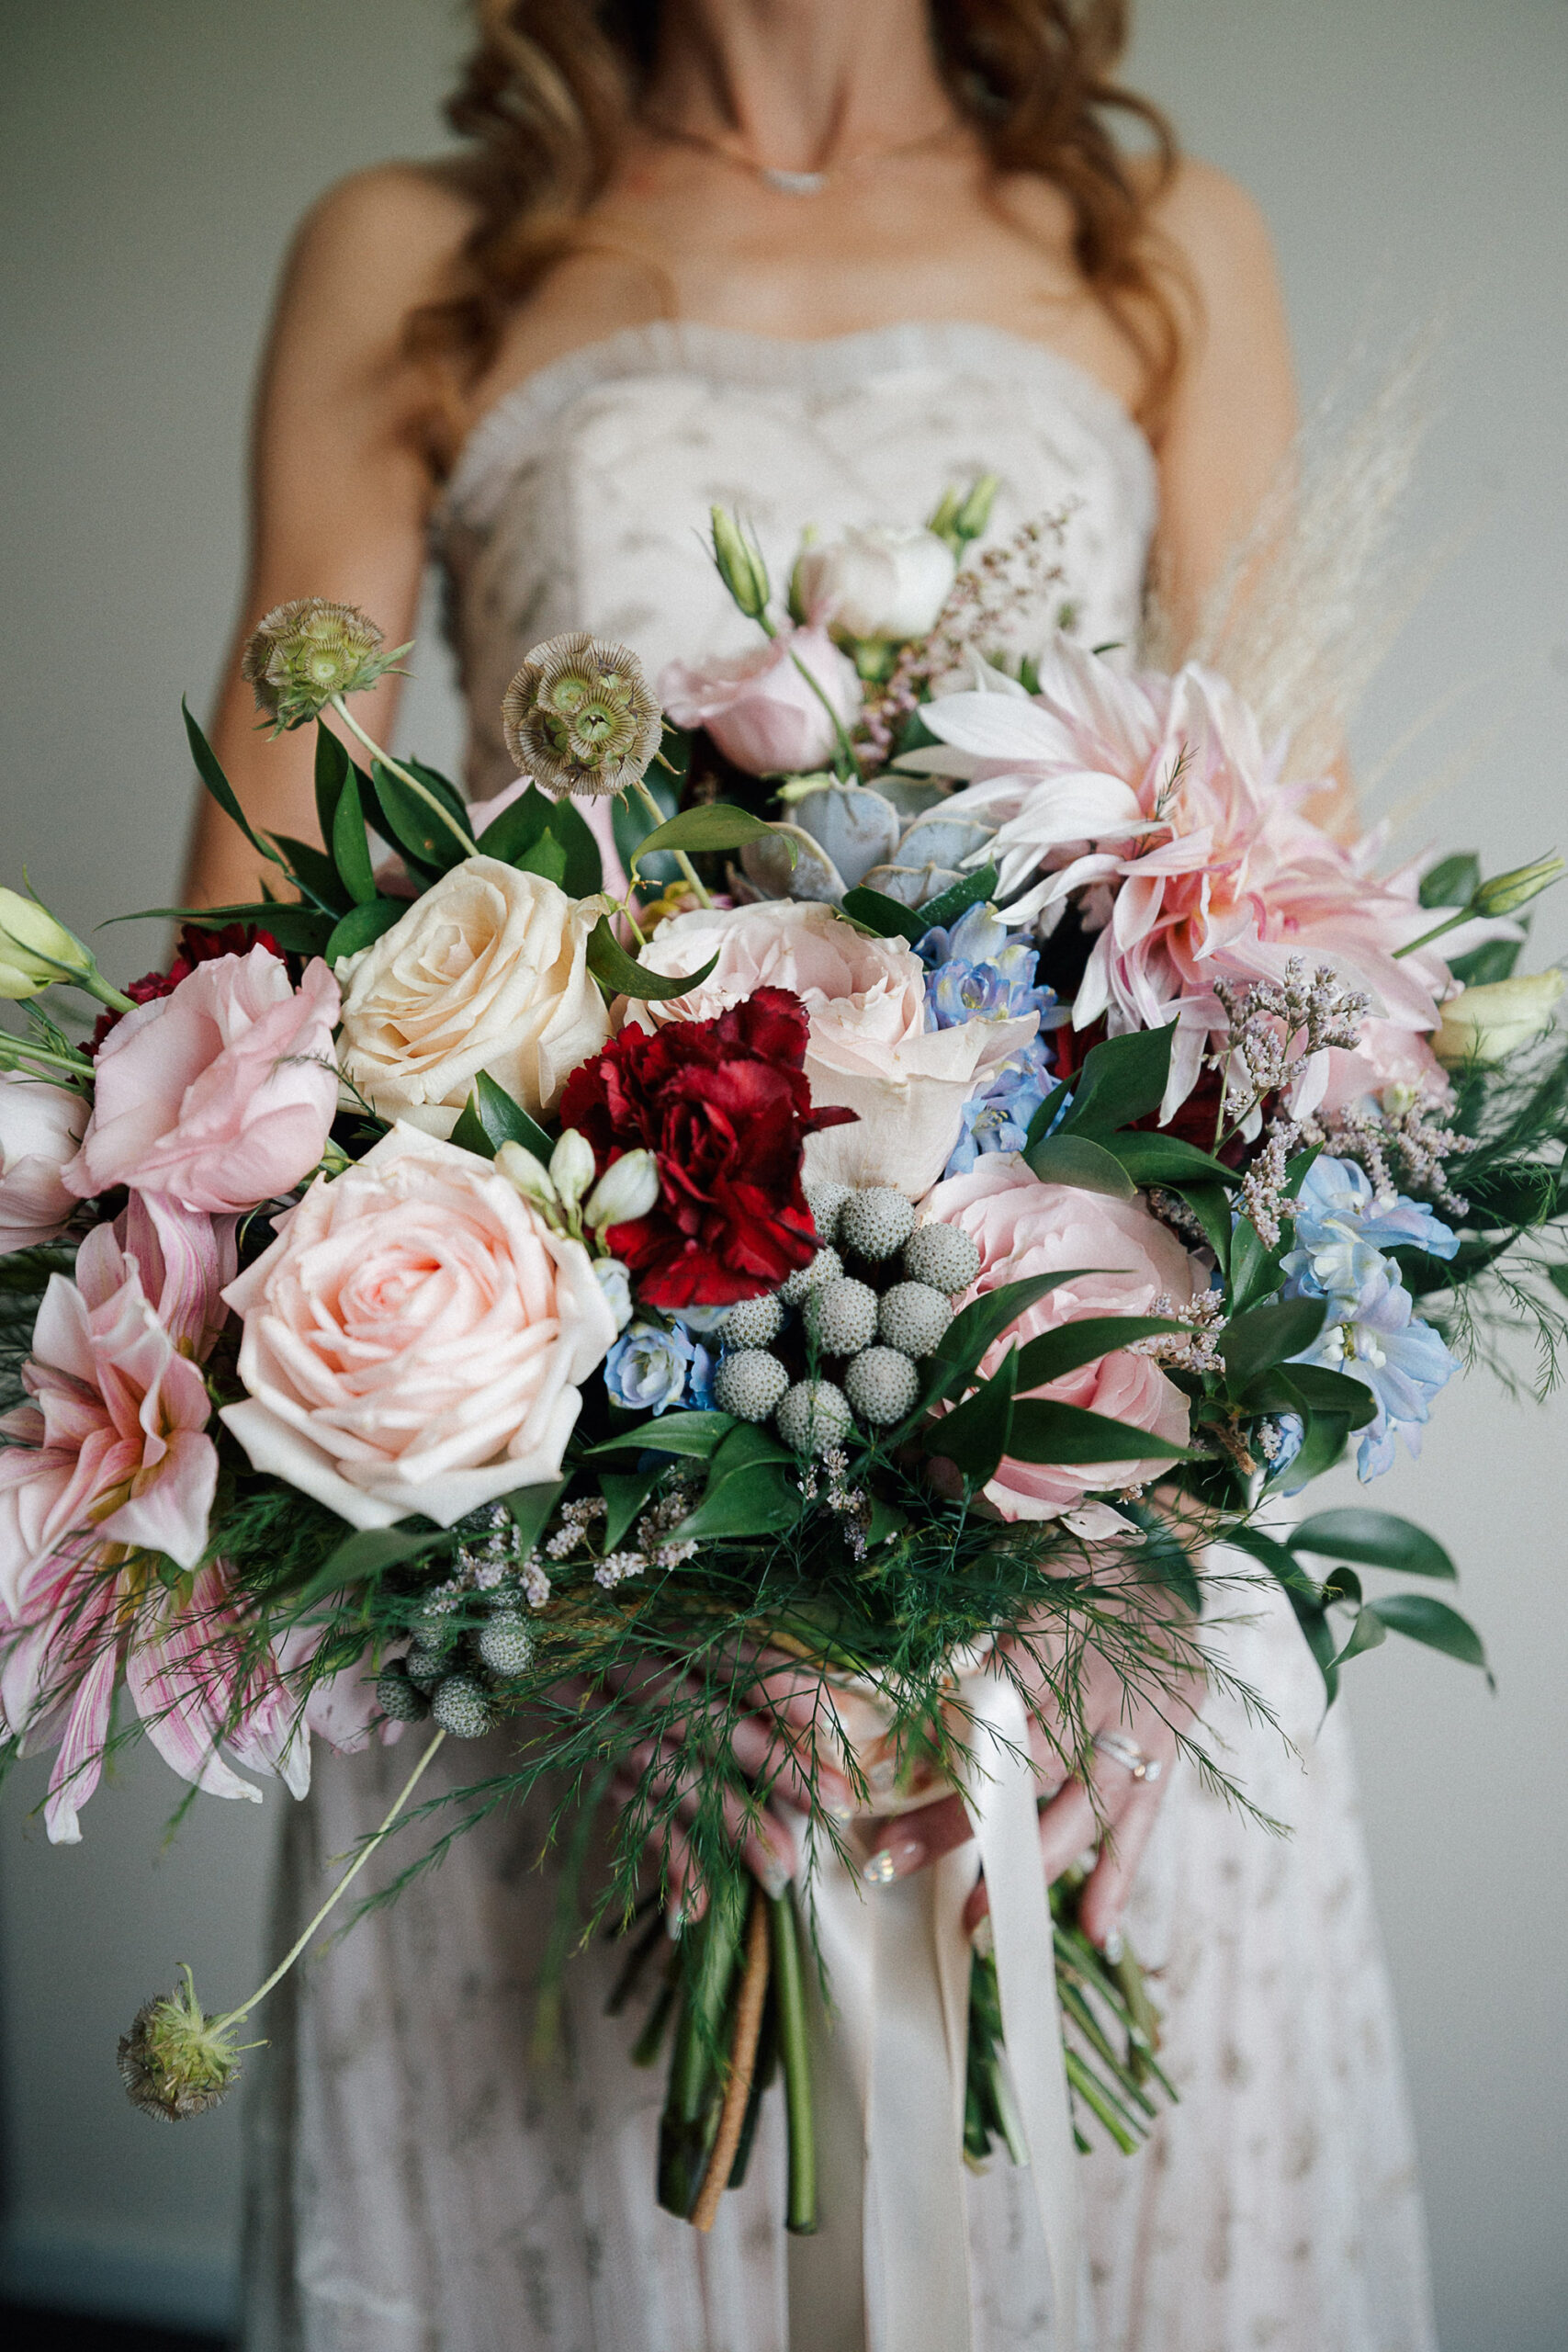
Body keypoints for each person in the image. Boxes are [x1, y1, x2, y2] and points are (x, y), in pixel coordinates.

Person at [198, 6, 1436, 2347]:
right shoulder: (413, 251)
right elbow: (246, 1008)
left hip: (1095, 1510)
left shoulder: (1159, 244)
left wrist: (1126, 1572)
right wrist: (595, 1614)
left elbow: (1291, 955)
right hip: (541, 1500)